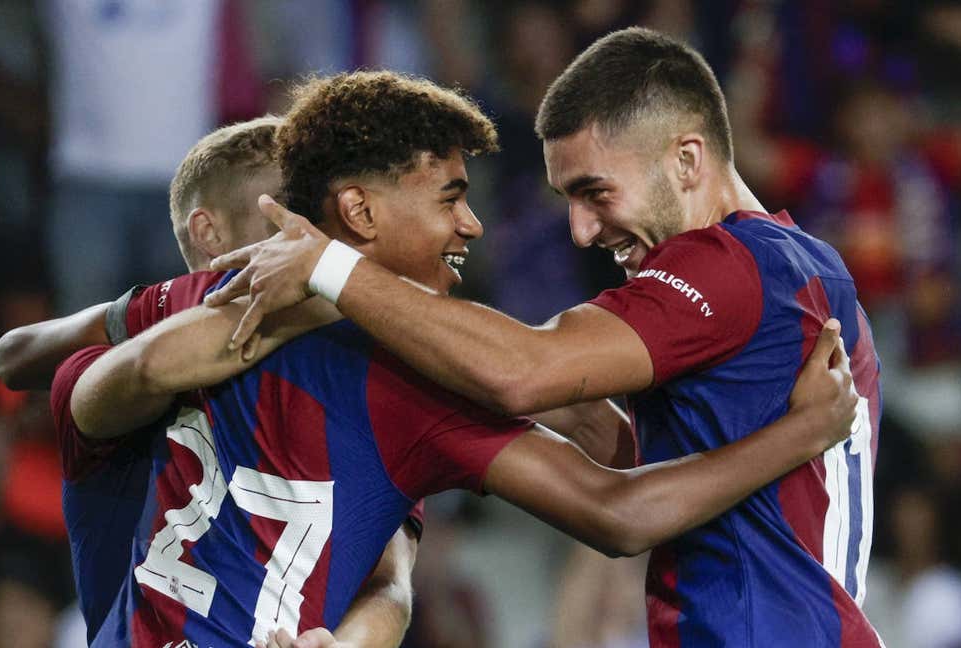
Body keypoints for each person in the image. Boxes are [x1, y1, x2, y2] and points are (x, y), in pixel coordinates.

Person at [60, 70, 859, 647]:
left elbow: (53, 370)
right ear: (359, 212)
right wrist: (794, 438)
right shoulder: (417, 385)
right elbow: (607, 499)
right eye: (450, 197)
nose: (474, 225)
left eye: (593, 192)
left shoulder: (191, 312)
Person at [0, 117, 420, 647]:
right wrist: (143, 309)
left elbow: (392, 581)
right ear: (207, 232)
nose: (308, 239)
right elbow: (13, 356)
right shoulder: (109, 364)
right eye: (286, 213)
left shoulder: (362, 379)